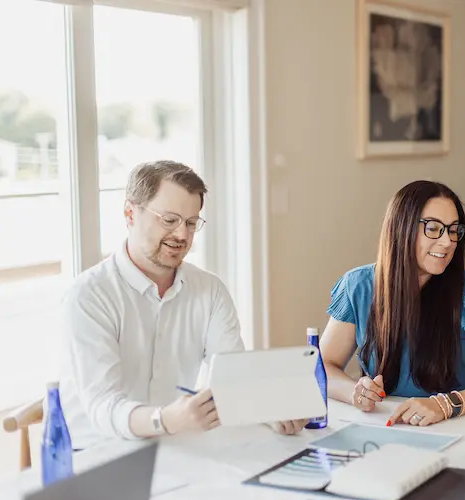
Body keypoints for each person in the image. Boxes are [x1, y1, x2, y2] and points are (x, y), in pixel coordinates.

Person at [59, 160, 306, 450]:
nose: (182, 235)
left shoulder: (210, 291)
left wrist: (269, 410)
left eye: (191, 223)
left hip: (173, 449)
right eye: (169, 220)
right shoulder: (89, 295)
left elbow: (232, 377)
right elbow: (103, 406)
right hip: (97, 454)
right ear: (130, 213)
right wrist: (165, 420)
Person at [319, 180, 465, 427]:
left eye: (453, 230)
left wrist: (445, 405)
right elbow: (323, 366)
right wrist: (355, 392)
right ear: (401, 228)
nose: (447, 242)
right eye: (434, 228)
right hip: (383, 427)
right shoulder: (357, 286)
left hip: (459, 429)